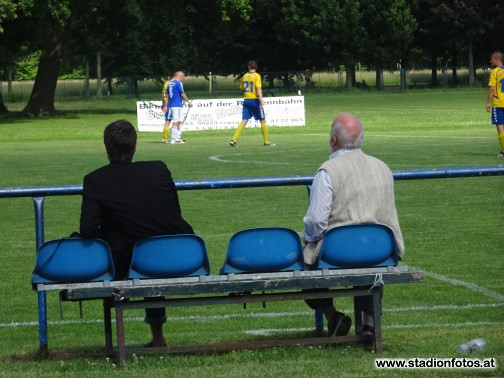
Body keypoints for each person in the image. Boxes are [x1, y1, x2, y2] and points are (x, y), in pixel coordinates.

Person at [79, 119, 194, 347]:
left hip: (132, 261)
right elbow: (174, 212)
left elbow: (88, 229)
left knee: (137, 254)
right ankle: (158, 338)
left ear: (106, 147)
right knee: (150, 253)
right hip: (180, 254)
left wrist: (114, 231)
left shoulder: (95, 180)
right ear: (134, 147)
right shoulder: (159, 169)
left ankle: (135, 341)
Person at [302, 113, 404, 337]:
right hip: (381, 250)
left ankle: (332, 315)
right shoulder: (383, 168)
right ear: (361, 140)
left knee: (303, 263)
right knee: (369, 261)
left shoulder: (328, 172)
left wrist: (308, 239)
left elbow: (317, 221)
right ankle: (369, 322)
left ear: (333, 140)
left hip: (337, 252)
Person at [229, 60, 275, 147]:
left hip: (246, 101)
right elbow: (258, 88)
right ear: (256, 67)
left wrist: (246, 93)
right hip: (255, 101)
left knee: (244, 121)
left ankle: (233, 140)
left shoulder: (245, 76)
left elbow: (241, 89)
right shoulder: (257, 76)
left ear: (249, 67)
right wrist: (261, 99)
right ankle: (266, 142)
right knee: (262, 120)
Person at [485, 51, 504, 157]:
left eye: (492, 59)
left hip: (498, 103)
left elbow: (492, 88)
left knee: (500, 127)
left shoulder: (494, 72)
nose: (490, 61)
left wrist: (488, 102)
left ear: (496, 59)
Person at [167, 71, 193, 144]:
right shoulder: (177, 83)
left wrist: (166, 104)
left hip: (175, 105)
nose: (183, 79)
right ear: (180, 76)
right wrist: (188, 102)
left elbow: (168, 95)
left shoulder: (170, 84)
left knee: (180, 121)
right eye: (183, 77)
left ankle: (178, 137)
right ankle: (173, 139)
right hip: (176, 105)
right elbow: (182, 94)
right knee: (176, 121)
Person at [161, 76, 173, 144]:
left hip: (170, 104)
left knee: (175, 122)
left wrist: (162, 103)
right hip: (170, 104)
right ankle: (165, 138)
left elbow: (163, 94)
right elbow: (165, 94)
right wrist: (164, 104)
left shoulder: (166, 83)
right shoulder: (171, 84)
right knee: (168, 122)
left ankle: (175, 137)